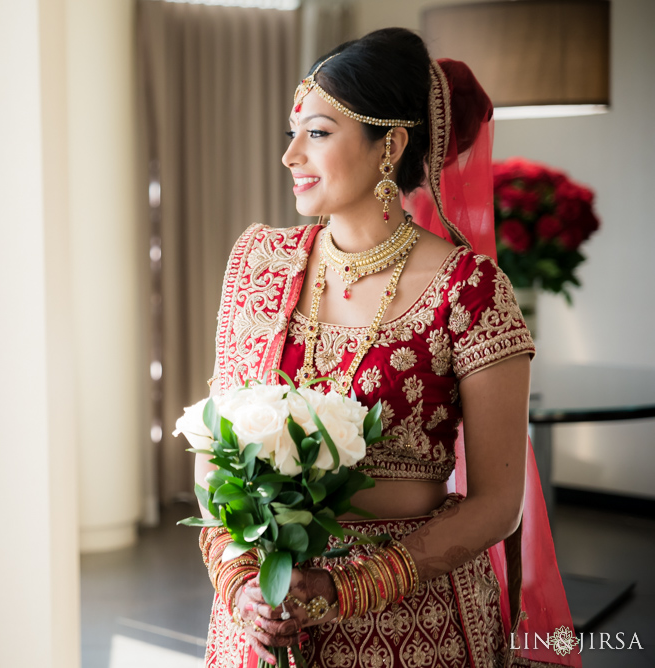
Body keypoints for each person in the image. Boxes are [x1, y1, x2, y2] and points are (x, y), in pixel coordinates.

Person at [196, 28, 579, 668]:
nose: (290, 155)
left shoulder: (471, 291)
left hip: (413, 623)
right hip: (262, 620)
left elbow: (495, 505)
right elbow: (217, 454)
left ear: (391, 145)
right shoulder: (259, 261)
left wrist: (346, 587)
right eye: (291, 133)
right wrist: (240, 588)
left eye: (316, 133)